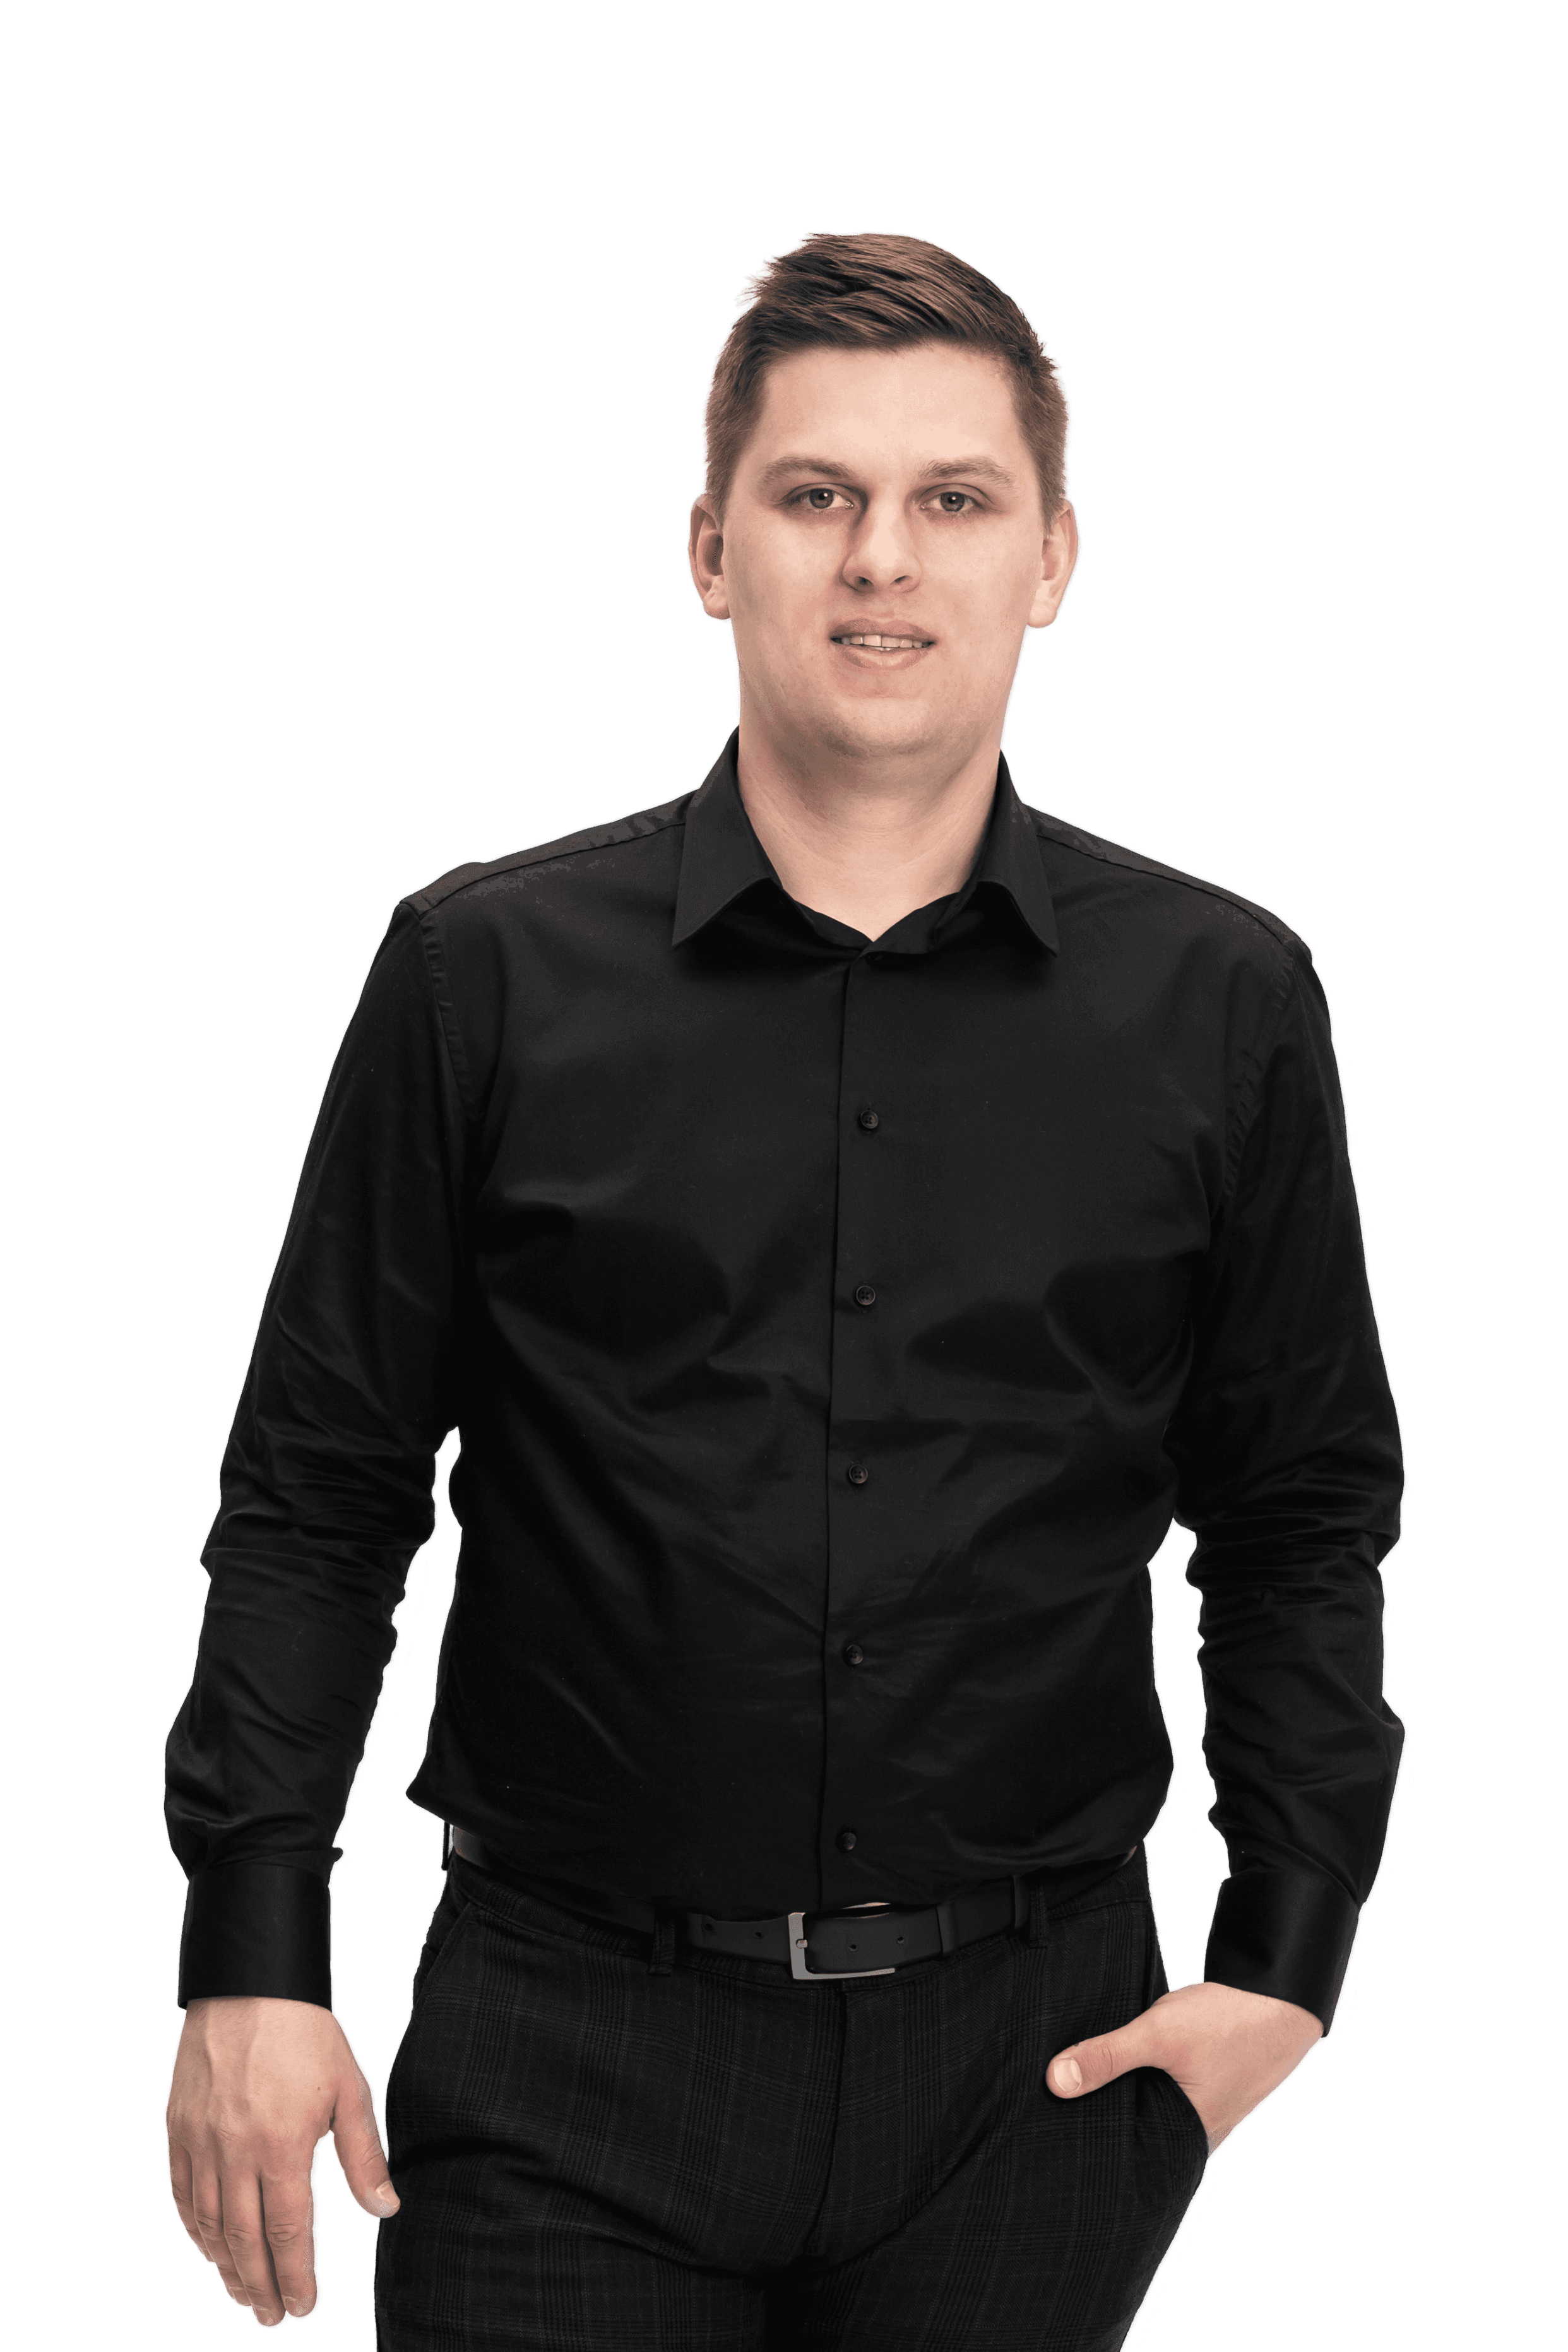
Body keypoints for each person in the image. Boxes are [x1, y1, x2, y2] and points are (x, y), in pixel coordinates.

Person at [163, 230, 1405, 2349]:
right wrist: (252, 1953)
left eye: (953, 498)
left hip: (1031, 2077)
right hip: (563, 2048)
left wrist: (1284, 1952)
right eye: (815, 492)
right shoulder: (480, 972)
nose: (879, 559)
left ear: (1051, 557)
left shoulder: (1225, 999)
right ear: (708, 548)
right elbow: (319, 1488)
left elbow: (1296, 1510)